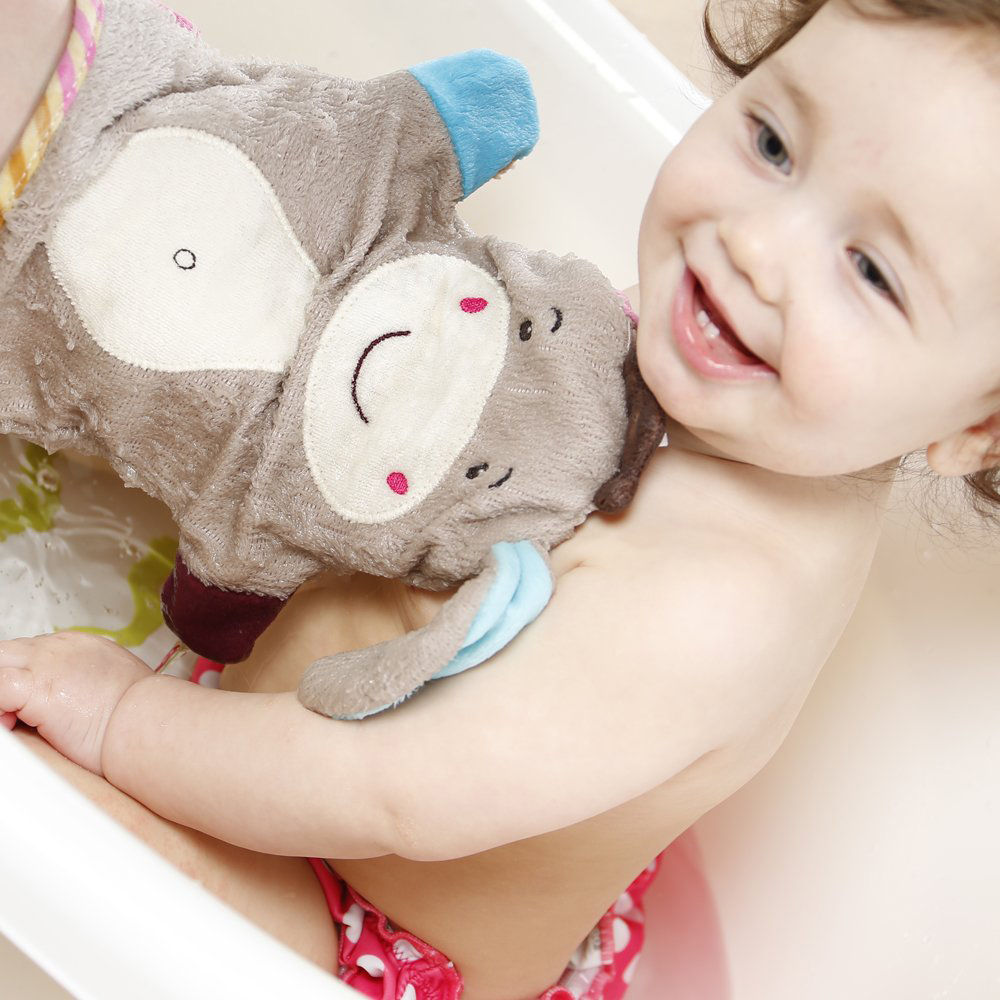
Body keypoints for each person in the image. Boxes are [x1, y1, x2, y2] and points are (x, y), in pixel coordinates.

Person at [2, 0, 999, 997]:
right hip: (313, 757)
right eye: (774, 144)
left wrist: (123, 717)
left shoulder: (717, 598)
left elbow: (392, 792)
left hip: (363, 918)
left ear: (977, 428)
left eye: (871, 272)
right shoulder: (721, 365)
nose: (757, 245)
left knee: (34, 796)